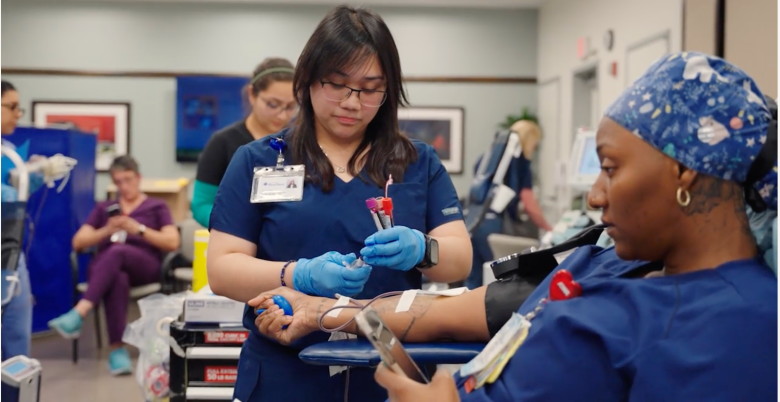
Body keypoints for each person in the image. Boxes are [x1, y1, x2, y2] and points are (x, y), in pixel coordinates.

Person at [251, 52, 778, 401]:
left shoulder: (724, 325)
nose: (595, 196)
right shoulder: (604, 262)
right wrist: (328, 310)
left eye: (611, 169)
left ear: (683, 170)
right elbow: (444, 309)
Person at [206, 5, 472, 402]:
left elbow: (459, 260)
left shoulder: (416, 163)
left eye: (370, 88)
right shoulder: (259, 160)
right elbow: (222, 269)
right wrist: (300, 275)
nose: (352, 102)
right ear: (308, 79)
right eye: (336, 84)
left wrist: (421, 248)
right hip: (285, 370)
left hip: (391, 367)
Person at [48, 155, 180, 375]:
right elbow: (78, 243)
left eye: (128, 180)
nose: (124, 186)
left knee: (117, 252)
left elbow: (172, 241)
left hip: (144, 265)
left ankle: (80, 311)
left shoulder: (157, 207)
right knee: (118, 278)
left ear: (139, 178)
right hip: (107, 270)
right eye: (118, 182)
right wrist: (107, 230)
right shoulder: (105, 208)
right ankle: (117, 352)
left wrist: (138, 229)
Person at [191, 58, 297, 228]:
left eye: (291, 106)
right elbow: (201, 205)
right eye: (273, 104)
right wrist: (236, 229)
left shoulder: (301, 143)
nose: (282, 115)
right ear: (252, 95)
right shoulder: (223, 143)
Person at [466, 119, 552, 289]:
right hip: (494, 226)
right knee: (501, 280)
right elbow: (529, 203)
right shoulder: (520, 163)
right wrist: (550, 229)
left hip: (474, 222)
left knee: (475, 281)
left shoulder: (488, 157)